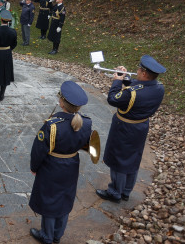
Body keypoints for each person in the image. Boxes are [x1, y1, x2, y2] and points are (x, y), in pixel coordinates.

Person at [96, 55, 166, 203]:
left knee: (118, 161)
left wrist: (117, 81)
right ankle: (126, 191)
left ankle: (115, 192)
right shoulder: (159, 87)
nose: (137, 71)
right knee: (132, 159)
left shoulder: (132, 93)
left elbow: (113, 98)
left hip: (124, 128)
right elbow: (140, 87)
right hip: (141, 127)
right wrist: (125, 78)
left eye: (139, 70)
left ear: (145, 73)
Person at [29, 81, 92, 244]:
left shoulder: (52, 125)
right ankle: (57, 235)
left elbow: (38, 150)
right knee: (65, 198)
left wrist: (34, 167)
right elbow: (85, 143)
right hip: (71, 165)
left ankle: (47, 236)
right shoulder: (87, 122)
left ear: (61, 102)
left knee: (50, 200)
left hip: (52, 168)